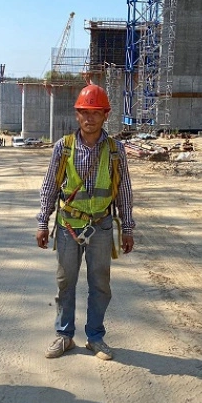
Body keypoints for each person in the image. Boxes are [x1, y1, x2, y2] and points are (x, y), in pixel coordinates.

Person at [35, 84, 135, 361]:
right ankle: (64, 335)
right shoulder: (63, 147)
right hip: (68, 226)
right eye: (85, 112)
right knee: (65, 282)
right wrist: (43, 222)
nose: (90, 118)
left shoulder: (115, 150)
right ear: (77, 114)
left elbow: (124, 191)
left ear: (105, 115)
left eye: (96, 113)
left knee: (100, 284)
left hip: (101, 227)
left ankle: (95, 337)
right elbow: (49, 187)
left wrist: (127, 228)